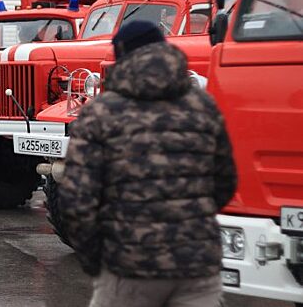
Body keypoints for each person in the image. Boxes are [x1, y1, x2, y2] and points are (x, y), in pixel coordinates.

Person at [57, 21, 237, 307]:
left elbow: (78, 201)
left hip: (129, 265)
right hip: (197, 264)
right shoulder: (203, 106)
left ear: (122, 56)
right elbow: (226, 183)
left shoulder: (100, 113)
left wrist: (95, 260)